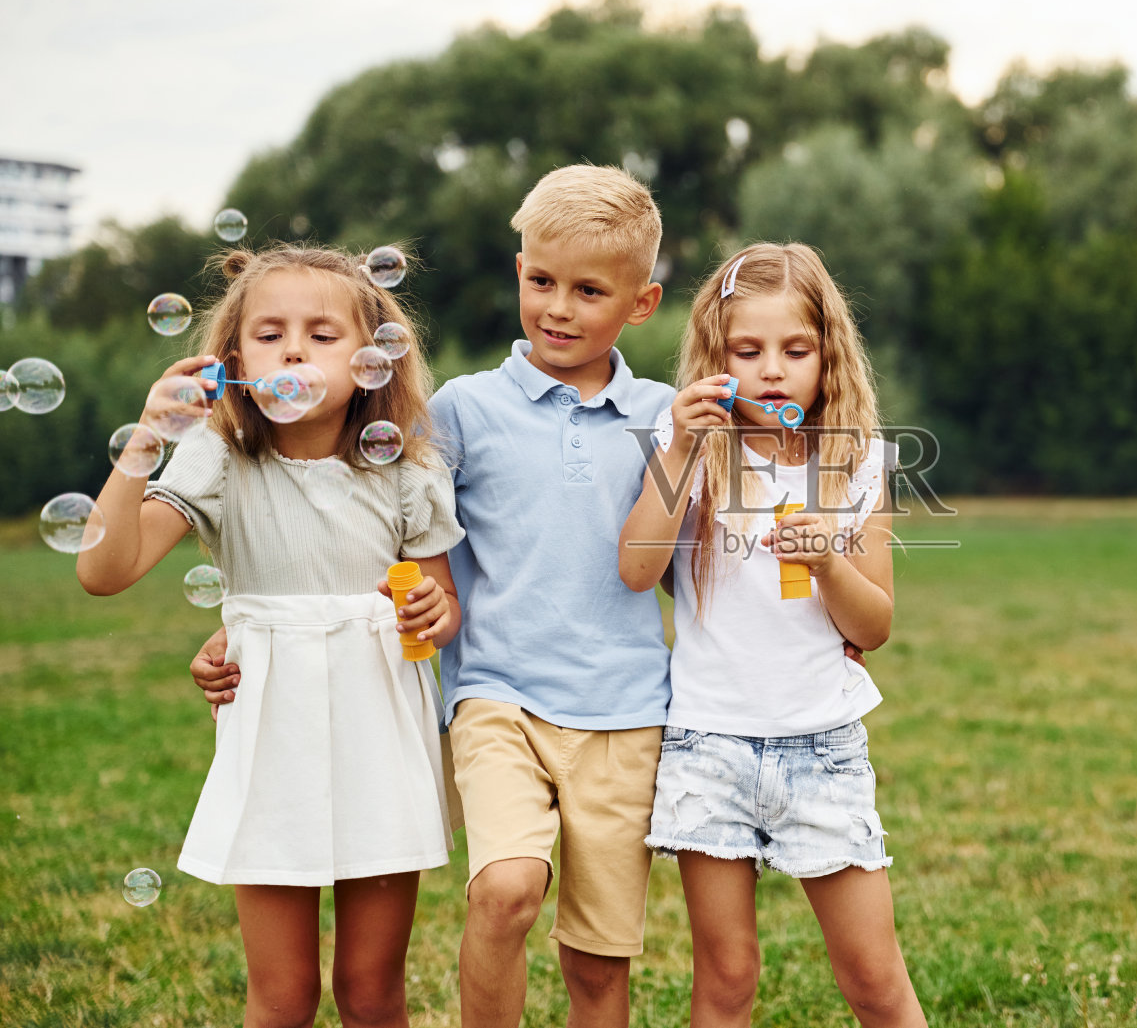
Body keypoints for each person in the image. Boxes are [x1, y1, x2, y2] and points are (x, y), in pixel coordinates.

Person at [194, 165, 673, 1028]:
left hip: (628, 703)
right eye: (539, 280)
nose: (557, 307)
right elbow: (379, 526)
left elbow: (680, 561)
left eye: (588, 289)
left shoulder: (665, 416)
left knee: (601, 961)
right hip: (495, 696)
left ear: (641, 302)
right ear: (518, 268)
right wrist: (249, 633)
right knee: (505, 889)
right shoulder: (461, 410)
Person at [78, 244, 464, 1028]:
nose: (293, 349)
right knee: (283, 996)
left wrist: (434, 610)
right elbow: (104, 570)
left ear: (371, 360)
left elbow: (444, 600)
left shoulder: (405, 468)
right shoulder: (218, 457)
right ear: (232, 362)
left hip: (381, 725)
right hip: (271, 727)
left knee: (370, 991)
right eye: (270, 334)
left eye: (322, 334)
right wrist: (147, 438)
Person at [618, 242, 926, 1027]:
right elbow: (635, 565)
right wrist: (681, 447)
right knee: (726, 978)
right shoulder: (693, 448)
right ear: (714, 356)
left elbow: (875, 623)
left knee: (874, 978)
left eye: (795, 349)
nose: (772, 370)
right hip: (708, 746)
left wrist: (828, 562)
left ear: (829, 353)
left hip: (821, 745)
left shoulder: (852, 461)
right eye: (746, 351)